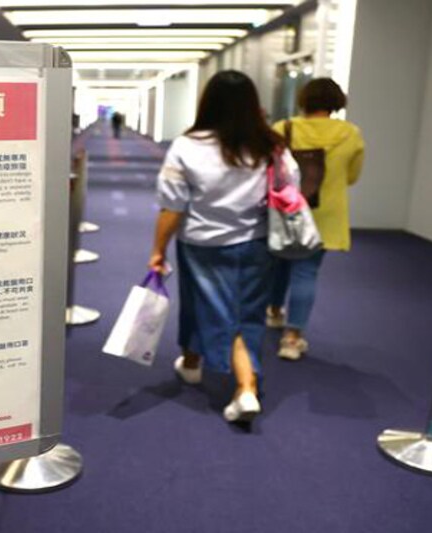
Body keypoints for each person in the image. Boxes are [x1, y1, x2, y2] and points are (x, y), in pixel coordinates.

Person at [149, 70, 299, 423]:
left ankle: (245, 388)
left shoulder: (188, 145)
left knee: (216, 311)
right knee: (246, 312)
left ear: (207, 103)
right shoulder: (270, 145)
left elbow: (173, 205)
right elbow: (290, 184)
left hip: (203, 244)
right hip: (257, 243)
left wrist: (158, 249)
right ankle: (191, 363)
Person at [267, 78, 365, 360]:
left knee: (278, 262)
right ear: (337, 103)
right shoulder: (351, 134)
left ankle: (273, 311)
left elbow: (268, 169)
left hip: (285, 210)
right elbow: (353, 176)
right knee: (305, 272)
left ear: (304, 100)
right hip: (324, 215)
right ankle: (292, 337)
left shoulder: (282, 129)